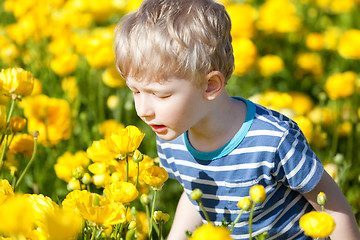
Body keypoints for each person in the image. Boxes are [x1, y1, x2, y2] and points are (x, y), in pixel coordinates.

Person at [113, 0, 360, 239]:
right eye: (135, 91)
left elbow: (333, 207)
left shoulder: (273, 140)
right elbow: (195, 194)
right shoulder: (171, 137)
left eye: (161, 94)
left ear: (210, 86)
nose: (142, 110)